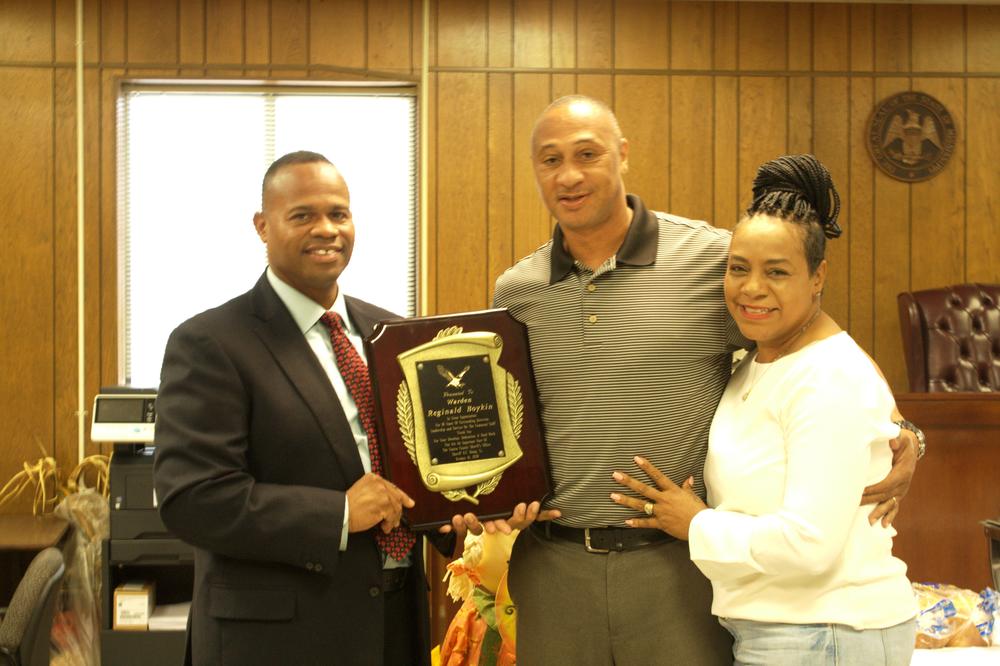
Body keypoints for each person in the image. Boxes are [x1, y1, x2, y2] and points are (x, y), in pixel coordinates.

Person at [484, 97, 922, 665]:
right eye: (550, 160)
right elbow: (501, 422)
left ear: (622, 155)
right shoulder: (515, 291)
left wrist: (906, 430)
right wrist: (486, 496)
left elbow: (816, 341)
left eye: (587, 154)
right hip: (554, 568)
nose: (568, 175)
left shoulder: (717, 261)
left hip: (677, 567)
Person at [611, 154, 917, 665]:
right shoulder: (755, 360)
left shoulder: (827, 376)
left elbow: (809, 545)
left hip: (828, 631)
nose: (752, 288)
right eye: (738, 268)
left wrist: (696, 523)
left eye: (777, 272)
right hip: (784, 628)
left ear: (818, 277)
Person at [153, 151, 455, 666]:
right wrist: (337, 514)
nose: (327, 230)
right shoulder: (210, 342)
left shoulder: (393, 334)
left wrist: (454, 511)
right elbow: (192, 498)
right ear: (263, 226)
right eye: (303, 216)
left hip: (394, 625)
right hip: (277, 641)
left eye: (339, 214)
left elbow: (413, 466)